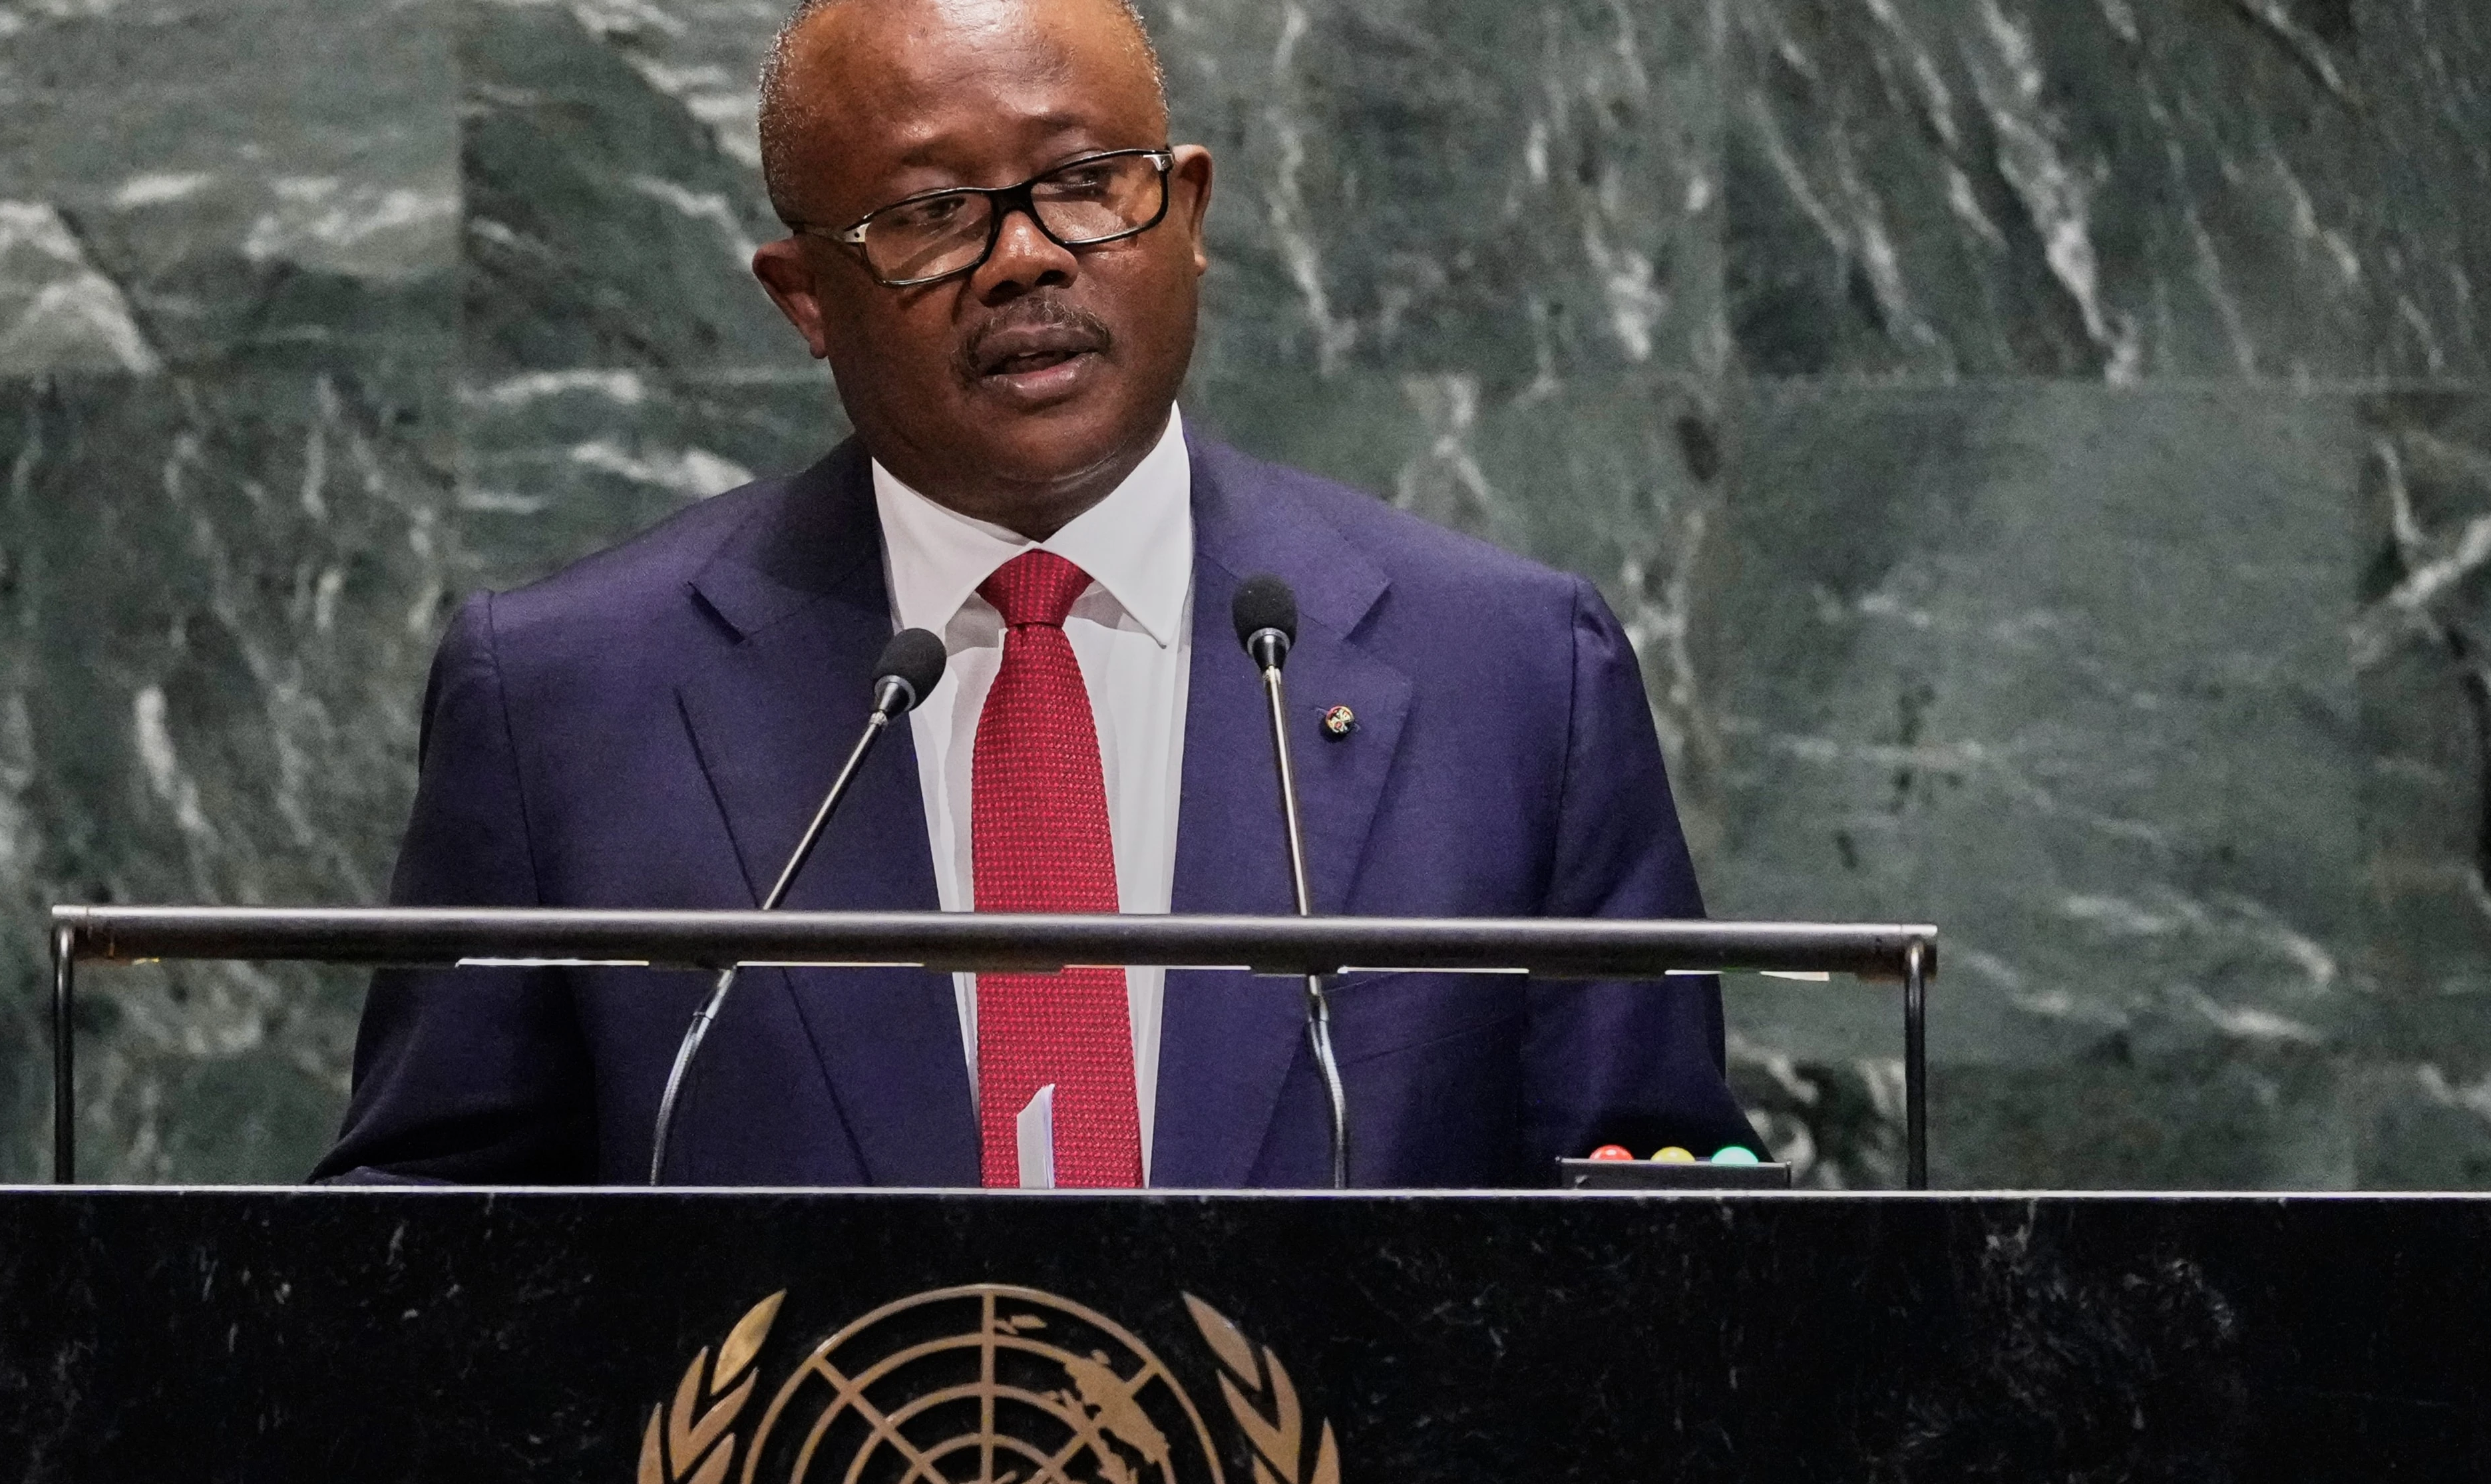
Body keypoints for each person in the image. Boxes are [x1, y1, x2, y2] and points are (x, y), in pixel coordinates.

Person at [315, 0, 1755, 1187]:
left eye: (1082, 184)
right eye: (931, 213)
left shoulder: (1506, 676)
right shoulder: (569, 699)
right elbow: (418, 1270)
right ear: (803, 299)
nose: (1023, 259)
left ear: (1184, 212)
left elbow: (1655, 1224)